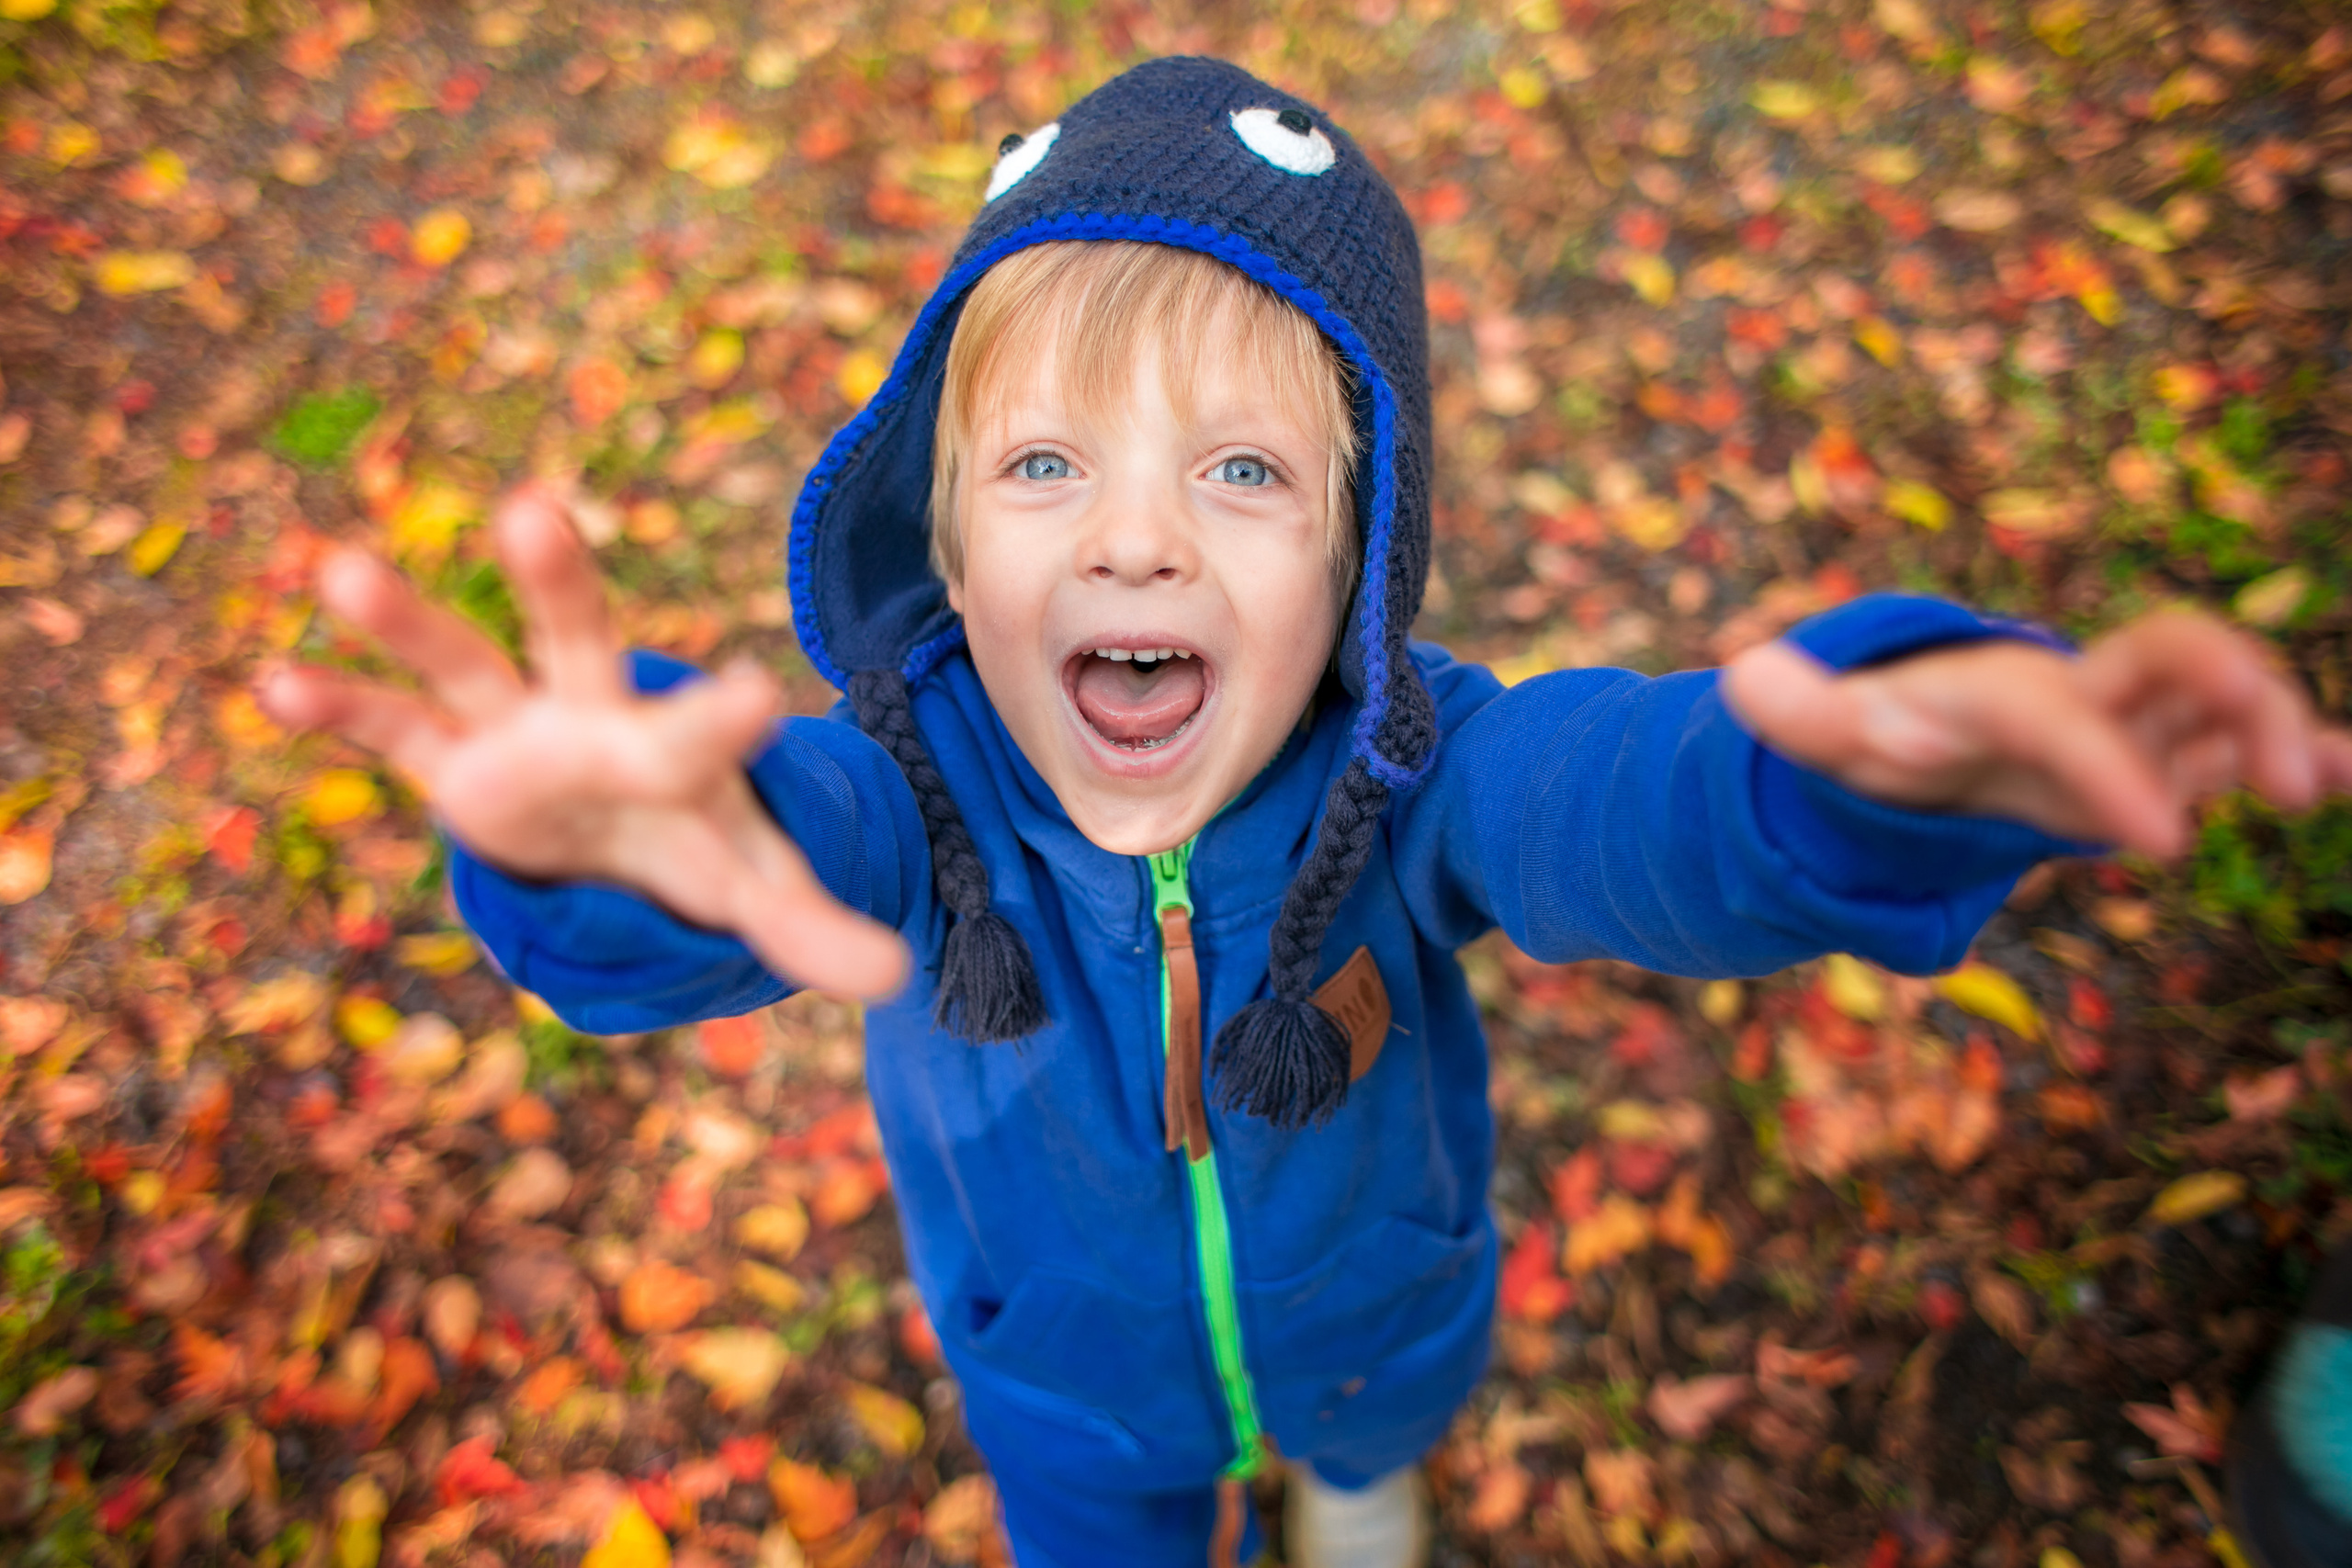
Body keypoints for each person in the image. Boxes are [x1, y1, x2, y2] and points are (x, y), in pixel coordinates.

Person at [259, 57, 2352, 1568]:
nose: (1140, 544)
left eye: (1241, 472)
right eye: (1046, 469)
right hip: (1061, 1389)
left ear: (1360, 554)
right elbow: (755, 837)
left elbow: (1619, 799)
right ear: (944, 543)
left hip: (1376, 1317)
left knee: (1366, 1473)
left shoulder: (1414, 764)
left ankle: (1357, 1504)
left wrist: (1837, 779)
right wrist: (583, 854)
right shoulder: (907, 789)